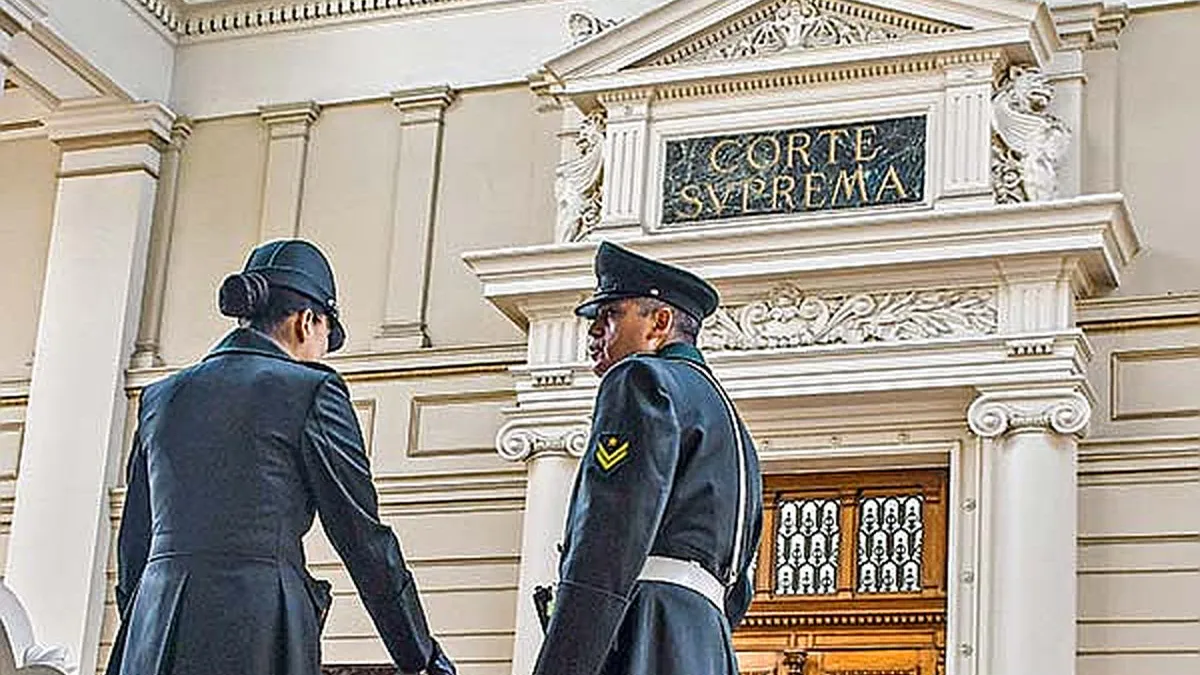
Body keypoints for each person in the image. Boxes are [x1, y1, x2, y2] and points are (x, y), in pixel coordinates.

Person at [107, 240, 456, 675]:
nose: (322, 352)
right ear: (307, 321)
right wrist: (419, 654)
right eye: (327, 337)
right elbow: (362, 538)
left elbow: (134, 544)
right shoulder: (312, 390)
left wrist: (143, 627)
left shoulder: (160, 397)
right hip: (259, 628)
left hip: (153, 629)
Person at [532, 241, 764, 675]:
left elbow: (607, 539)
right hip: (705, 643)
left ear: (659, 322)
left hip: (643, 632)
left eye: (610, 315)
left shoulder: (639, 379)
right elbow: (739, 587)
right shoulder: (734, 429)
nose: (593, 333)